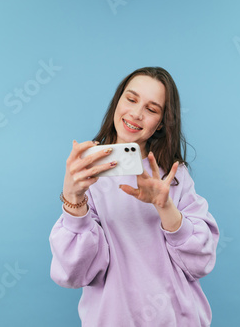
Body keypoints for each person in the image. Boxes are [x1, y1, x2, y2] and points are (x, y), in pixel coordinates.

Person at [49, 67, 219, 326]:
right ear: (118, 101)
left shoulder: (174, 176)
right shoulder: (86, 175)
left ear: (161, 122)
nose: (136, 114)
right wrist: (73, 200)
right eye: (131, 99)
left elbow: (201, 263)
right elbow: (76, 274)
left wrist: (165, 207)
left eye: (152, 109)